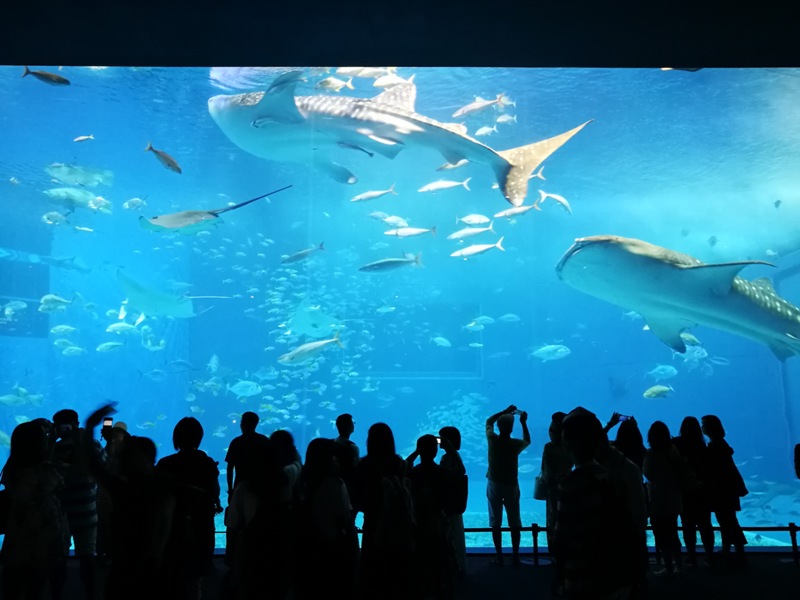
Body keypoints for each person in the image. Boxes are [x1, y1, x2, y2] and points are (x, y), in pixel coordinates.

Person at [82, 404, 176, 600]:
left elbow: (93, 465)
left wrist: (90, 426)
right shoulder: (162, 485)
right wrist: (156, 553)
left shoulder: (123, 487)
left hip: (127, 562)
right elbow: (165, 522)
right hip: (148, 562)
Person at [554, 407, 639, 599]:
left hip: (580, 570)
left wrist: (559, 574)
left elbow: (562, 534)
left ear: (566, 442)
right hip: (607, 566)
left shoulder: (571, 483)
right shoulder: (606, 474)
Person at [0, 420, 70, 600]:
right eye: (43, 439)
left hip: (18, 538)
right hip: (41, 540)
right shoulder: (41, 473)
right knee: (37, 589)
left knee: (16, 588)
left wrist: (39, 430)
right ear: (38, 445)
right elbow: (52, 480)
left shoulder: (12, 470)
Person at [155, 417, 222, 600]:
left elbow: (157, 496)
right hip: (201, 526)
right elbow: (215, 492)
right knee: (195, 579)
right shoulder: (207, 463)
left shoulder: (165, 464)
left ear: (176, 437)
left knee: (171, 575)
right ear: (199, 438)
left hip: (172, 527)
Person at [352, 422, 415, 599]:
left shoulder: (364, 465)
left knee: (374, 561)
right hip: (398, 522)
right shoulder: (399, 463)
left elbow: (358, 497)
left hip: (374, 520)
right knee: (398, 563)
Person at [294, 438, 357, 599]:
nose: (336, 459)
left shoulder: (301, 481)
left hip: (306, 544)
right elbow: (343, 518)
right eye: (334, 455)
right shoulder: (335, 483)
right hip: (332, 546)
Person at [52, 408, 104, 600]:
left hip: (62, 513)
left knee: (59, 557)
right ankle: (91, 594)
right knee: (87, 555)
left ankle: (56, 594)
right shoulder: (93, 445)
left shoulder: (54, 449)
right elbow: (103, 468)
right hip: (87, 512)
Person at [485, 404, 530, 566]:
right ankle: (515, 555)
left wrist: (503, 411)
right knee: (514, 520)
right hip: (511, 485)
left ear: (498, 426)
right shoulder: (515, 444)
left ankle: (499, 556)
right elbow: (527, 440)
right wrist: (523, 422)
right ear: (511, 428)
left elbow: (489, 420)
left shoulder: (492, 439)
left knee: (495, 521)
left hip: (494, 484)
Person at [702, 414, 748, 567]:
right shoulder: (719, 444)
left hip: (723, 490)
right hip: (727, 489)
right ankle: (727, 550)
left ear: (710, 428)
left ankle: (739, 552)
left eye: (704, 424)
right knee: (726, 521)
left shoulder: (716, 447)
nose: (702, 427)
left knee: (728, 521)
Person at [643, 421, 686, 576]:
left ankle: (668, 567)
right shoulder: (673, 450)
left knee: (661, 534)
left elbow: (647, 473)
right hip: (674, 497)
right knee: (673, 533)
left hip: (658, 499)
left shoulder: (652, 453)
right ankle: (679, 565)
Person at [672, 416, 714, 566]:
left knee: (687, 524)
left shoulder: (676, 444)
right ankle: (709, 554)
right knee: (705, 524)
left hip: (684, 491)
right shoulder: (703, 447)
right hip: (702, 490)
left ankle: (691, 554)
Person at [538, 412, 572, 552]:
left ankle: (555, 549)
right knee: (568, 518)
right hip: (569, 486)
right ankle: (568, 548)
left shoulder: (549, 447)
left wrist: (547, 482)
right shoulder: (570, 445)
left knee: (553, 518)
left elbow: (546, 471)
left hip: (553, 489)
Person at [438, 426, 467, 577]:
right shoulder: (452, 456)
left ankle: (455, 565)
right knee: (456, 532)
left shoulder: (448, 457)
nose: (439, 442)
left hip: (449, 502)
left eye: (441, 438)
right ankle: (459, 564)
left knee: (452, 532)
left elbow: (459, 471)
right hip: (455, 501)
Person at [225, 412, 270, 496]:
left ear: (243, 424)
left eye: (242, 422)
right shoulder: (264, 441)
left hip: (240, 485)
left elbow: (230, 468)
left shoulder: (236, 442)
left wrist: (230, 489)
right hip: (260, 486)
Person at [333, 413, 360, 501]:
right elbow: (356, 468)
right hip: (349, 487)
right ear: (348, 426)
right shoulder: (352, 447)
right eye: (352, 422)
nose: (354, 424)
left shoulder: (332, 443)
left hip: (335, 485)